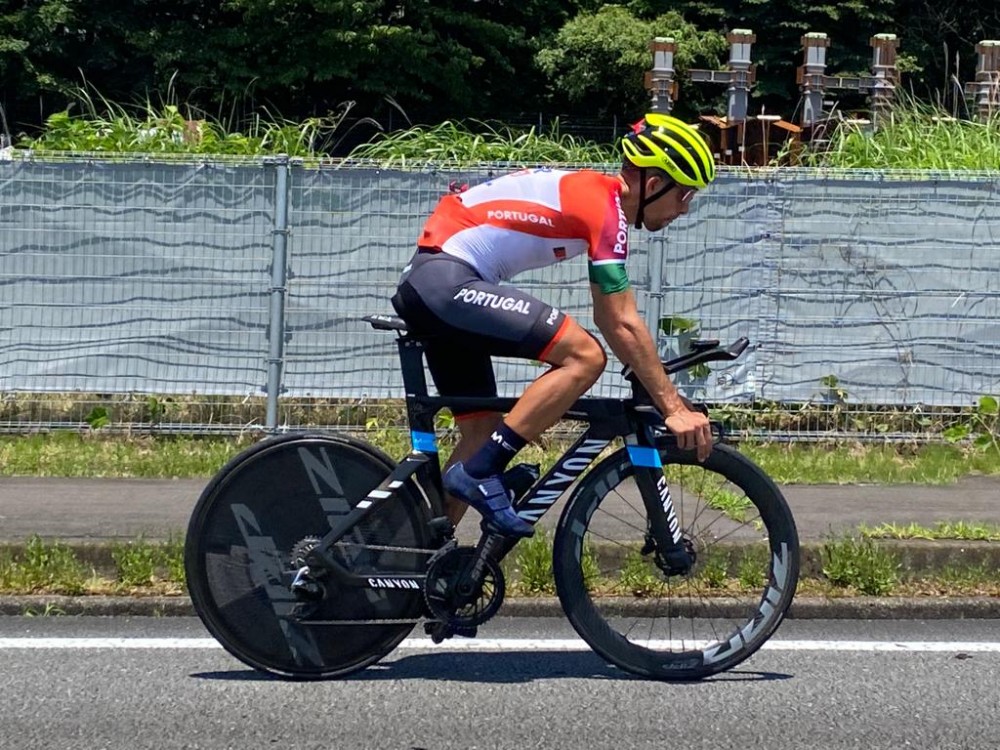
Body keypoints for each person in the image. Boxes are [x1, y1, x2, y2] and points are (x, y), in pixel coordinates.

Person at [391, 113, 717, 538]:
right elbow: (617, 320)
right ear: (655, 185)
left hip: (438, 285)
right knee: (585, 356)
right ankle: (483, 471)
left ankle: (421, 556)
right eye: (685, 195)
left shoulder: (592, 195)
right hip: (445, 283)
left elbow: (615, 318)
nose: (685, 208)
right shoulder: (604, 207)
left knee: (481, 434)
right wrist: (674, 408)